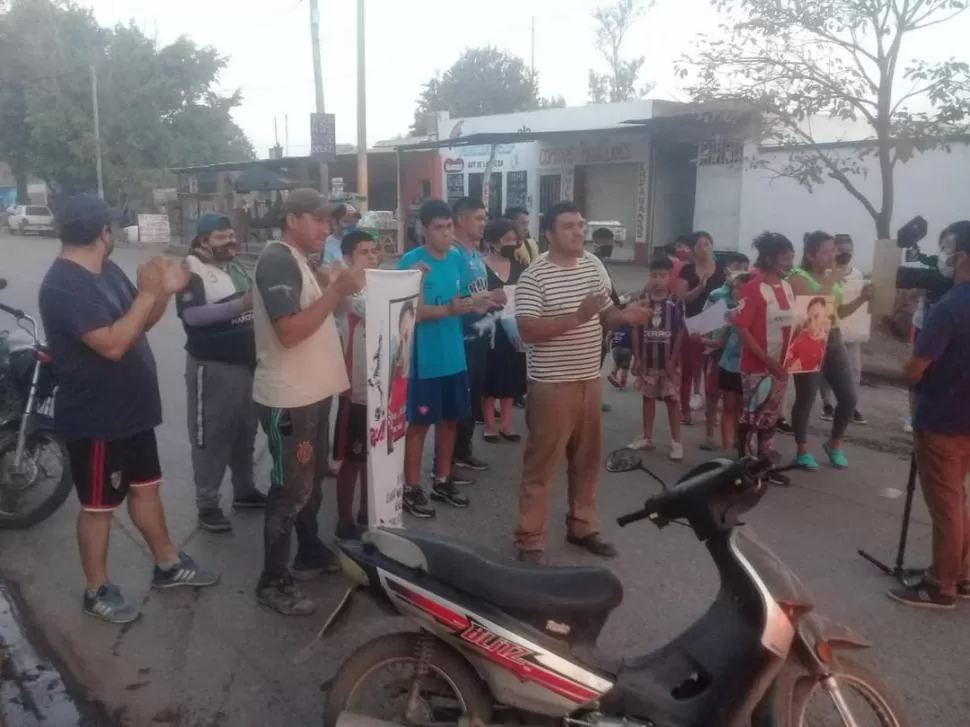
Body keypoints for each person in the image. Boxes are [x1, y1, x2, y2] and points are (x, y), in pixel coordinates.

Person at [38, 194, 219, 625]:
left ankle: (168, 563)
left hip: (132, 410)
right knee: (99, 507)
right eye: (113, 228)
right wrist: (150, 293)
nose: (115, 234)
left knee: (146, 488)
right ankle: (96, 589)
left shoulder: (108, 271)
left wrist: (160, 294)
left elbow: (138, 325)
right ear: (104, 232)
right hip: (99, 417)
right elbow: (115, 344)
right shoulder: (63, 284)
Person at [513, 201, 652, 563]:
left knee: (587, 461)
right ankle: (530, 538)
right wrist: (576, 317)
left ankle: (582, 525)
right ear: (549, 234)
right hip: (551, 384)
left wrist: (626, 316)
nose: (578, 232)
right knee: (541, 465)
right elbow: (527, 330)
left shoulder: (594, 265)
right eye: (568, 226)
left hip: (590, 378)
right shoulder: (534, 275)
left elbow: (606, 315)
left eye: (580, 225)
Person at [252, 188, 365, 616]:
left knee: (312, 480)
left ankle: (310, 552)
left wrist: (332, 286)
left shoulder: (299, 261)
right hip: (289, 397)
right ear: (292, 220)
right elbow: (289, 332)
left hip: (310, 394)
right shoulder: (278, 259)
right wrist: (335, 293)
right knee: (290, 488)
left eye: (330, 220)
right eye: (318, 220)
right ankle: (273, 581)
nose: (327, 228)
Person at [889, 220, 970, 610]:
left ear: (962, 258)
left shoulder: (949, 307)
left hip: (942, 418)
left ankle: (941, 586)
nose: (946, 259)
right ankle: (962, 574)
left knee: (946, 505)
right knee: (958, 499)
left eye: (950, 251)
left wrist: (908, 376)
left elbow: (915, 368)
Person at [398, 200, 492, 518]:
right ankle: (410, 488)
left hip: (455, 357)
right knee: (420, 424)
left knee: (451, 421)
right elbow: (411, 313)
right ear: (424, 230)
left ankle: (442, 479)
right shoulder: (411, 262)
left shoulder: (456, 257)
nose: (446, 233)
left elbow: (463, 299)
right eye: (439, 228)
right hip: (425, 360)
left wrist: (484, 301)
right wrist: (449, 309)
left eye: (449, 226)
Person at [176, 212, 266, 534]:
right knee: (210, 439)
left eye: (231, 235)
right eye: (220, 237)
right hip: (212, 368)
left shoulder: (237, 266)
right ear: (203, 241)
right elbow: (193, 316)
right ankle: (208, 504)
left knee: (245, 433)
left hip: (246, 366)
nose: (230, 242)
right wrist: (239, 306)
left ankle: (244, 490)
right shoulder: (192, 268)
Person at [788, 231, 872, 471]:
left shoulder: (831, 279)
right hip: (808, 336)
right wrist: (833, 277)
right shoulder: (798, 276)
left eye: (832, 251)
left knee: (849, 397)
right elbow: (813, 303)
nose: (831, 256)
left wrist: (862, 300)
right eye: (825, 252)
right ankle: (802, 449)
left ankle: (835, 443)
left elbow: (837, 312)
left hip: (834, 337)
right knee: (806, 397)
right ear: (810, 254)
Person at [733, 232, 796, 476]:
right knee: (753, 415)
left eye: (792, 257)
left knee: (770, 417)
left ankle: (764, 462)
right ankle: (745, 464)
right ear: (770, 259)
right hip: (756, 366)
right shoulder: (753, 288)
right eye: (786, 258)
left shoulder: (787, 287)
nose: (790, 263)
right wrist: (768, 360)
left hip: (781, 366)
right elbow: (743, 331)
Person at [332, 231, 381, 541]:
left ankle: (367, 512)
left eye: (375, 251)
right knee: (351, 460)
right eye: (364, 252)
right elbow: (363, 310)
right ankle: (344, 519)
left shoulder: (381, 285)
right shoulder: (345, 290)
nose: (372, 257)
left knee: (375, 460)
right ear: (349, 257)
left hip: (382, 388)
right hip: (356, 390)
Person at [450, 197, 503, 474]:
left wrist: (493, 298)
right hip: (462, 339)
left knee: (473, 398)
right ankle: (451, 456)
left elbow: (478, 293)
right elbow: (453, 298)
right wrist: (481, 301)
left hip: (481, 335)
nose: (484, 224)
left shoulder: (475, 255)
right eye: (479, 218)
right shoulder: (454, 254)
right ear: (461, 219)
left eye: (485, 218)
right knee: (460, 399)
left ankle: (464, 449)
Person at [628, 256, 686, 460]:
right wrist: (638, 358)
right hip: (648, 360)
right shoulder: (643, 299)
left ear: (670, 277)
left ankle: (676, 442)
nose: (658, 279)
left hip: (668, 361)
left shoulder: (676, 301)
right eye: (654, 275)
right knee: (648, 397)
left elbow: (680, 331)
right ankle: (647, 437)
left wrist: (673, 359)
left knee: (672, 400)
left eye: (662, 275)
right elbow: (635, 329)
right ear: (649, 276)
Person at [480, 217, 527, 442]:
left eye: (514, 240)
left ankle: (507, 425)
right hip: (489, 329)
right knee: (490, 377)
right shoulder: (479, 266)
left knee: (511, 376)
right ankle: (489, 425)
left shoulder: (521, 265)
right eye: (506, 239)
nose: (511, 244)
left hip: (515, 329)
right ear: (492, 241)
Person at [676, 231, 726, 424]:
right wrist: (700, 287)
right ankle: (685, 410)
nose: (704, 248)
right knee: (689, 369)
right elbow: (682, 298)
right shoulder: (687, 270)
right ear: (693, 249)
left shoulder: (722, 269)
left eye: (707, 244)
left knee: (714, 371)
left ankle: (711, 413)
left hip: (718, 323)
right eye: (700, 244)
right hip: (694, 323)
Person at [704, 272, 754, 452]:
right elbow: (720, 342)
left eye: (741, 287)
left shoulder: (757, 314)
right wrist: (701, 339)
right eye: (735, 287)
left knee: (743, 411)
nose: (736, 291)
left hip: (748, 368)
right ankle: (727, 451)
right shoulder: (730, 314)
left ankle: (740, 446)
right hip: (728, 366)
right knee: (728, 408)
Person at [820, 234, 867, 424]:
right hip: (831, 328)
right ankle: (827, 403)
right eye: (841, 249)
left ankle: (850, 403)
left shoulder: (857, 274)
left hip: (853, 327)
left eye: (849, 249)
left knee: (854, 369)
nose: (845, 253)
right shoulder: (825, 273)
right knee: (827, 369)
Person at [785, 297, 830, 373]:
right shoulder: (803, 335)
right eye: (809, 319)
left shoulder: (828, 343)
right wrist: (792, 363)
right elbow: (788, 357)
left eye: (816, 317)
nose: (812, 324)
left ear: (825, 317)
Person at [322, 203, 361, 267]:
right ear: (334, 221)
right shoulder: (326, 245)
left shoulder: (359, 244)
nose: (351, 226)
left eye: (355, 222)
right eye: (347, 221)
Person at [607, 323, 633, 390]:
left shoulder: (615, 326)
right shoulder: (630, 327)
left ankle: (613, 374)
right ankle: (622, 384)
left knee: (617, 363)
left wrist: (607, 346)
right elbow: (633, 338)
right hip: (626, 348)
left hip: (615, 348)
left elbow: (608, 336)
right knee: (625, 367)